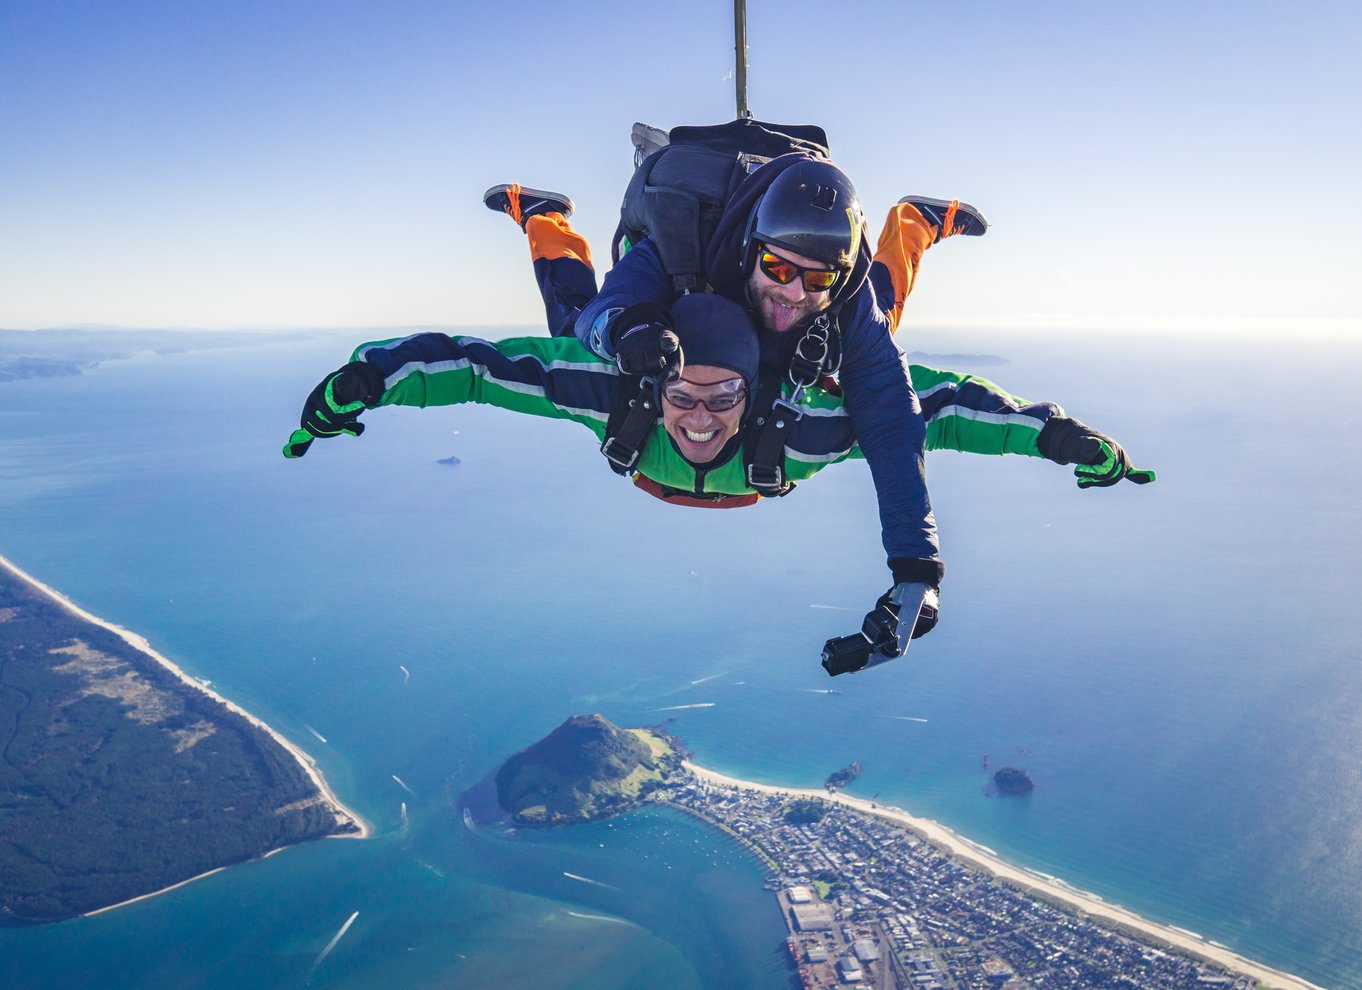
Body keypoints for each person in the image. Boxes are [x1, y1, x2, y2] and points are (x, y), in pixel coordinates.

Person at [283, 292, 1152, 665]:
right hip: (660, 415)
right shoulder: (614, 397)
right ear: (654, 387)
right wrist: (364, 383)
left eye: (724, 396)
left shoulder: (806, 425)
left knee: (868, 312)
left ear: (755, 391)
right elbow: (475, 364)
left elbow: (939, 409)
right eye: (683, 395)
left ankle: (913, 227)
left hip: (743, 445)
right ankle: (544, 221)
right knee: (571, 317)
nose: (698, 416)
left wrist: (1061, 438)